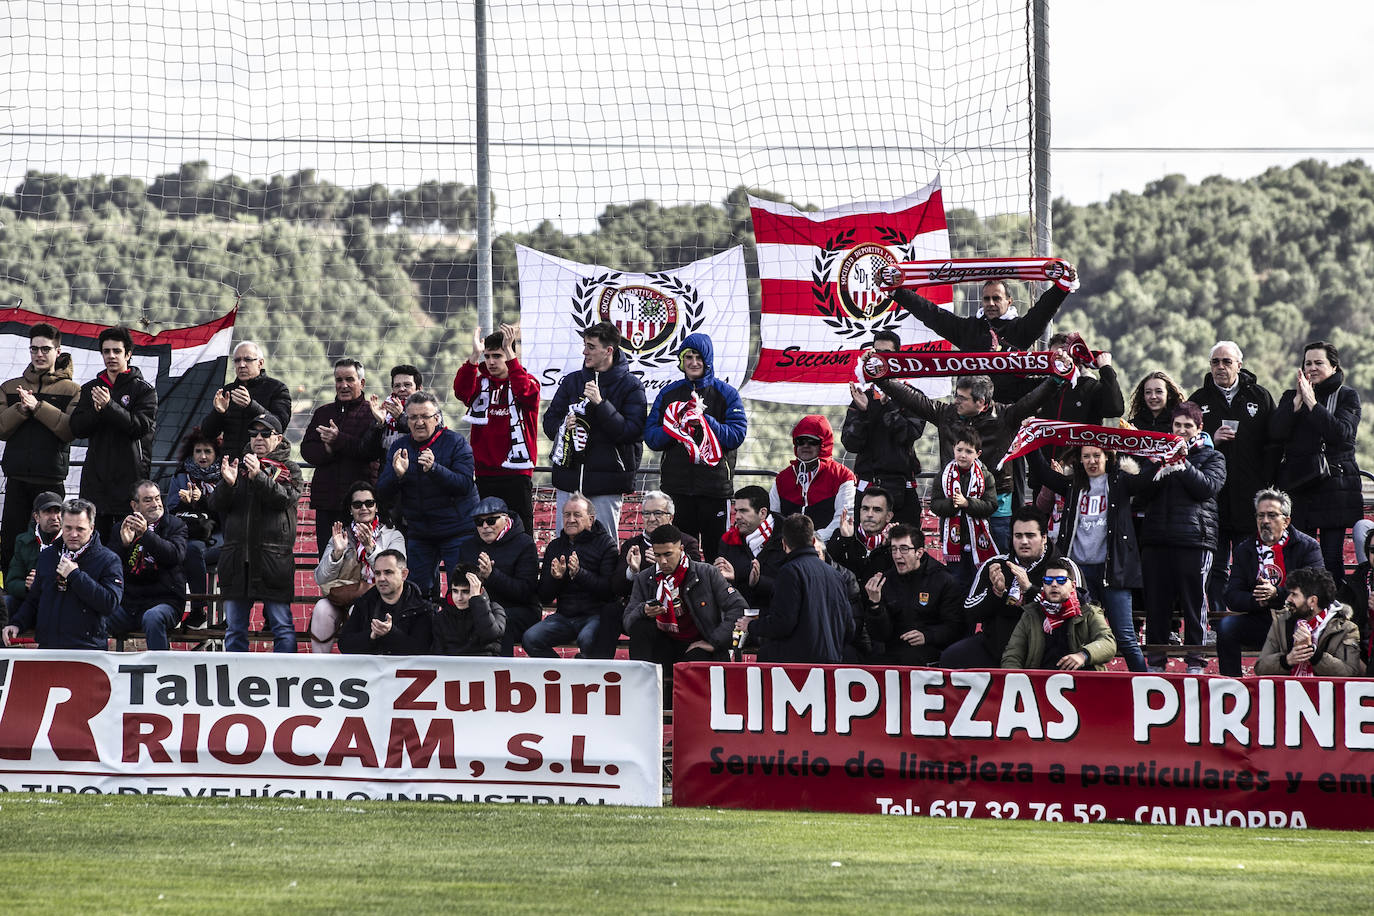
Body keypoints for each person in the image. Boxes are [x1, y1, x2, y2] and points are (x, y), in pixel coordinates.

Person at [876, 372, 1056, 551]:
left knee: (997, 567)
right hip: (955, 509)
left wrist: (1058, 377)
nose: (956, 401)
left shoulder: (1006, 416)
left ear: (981, 402)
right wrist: (881, 379)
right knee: (958, 570)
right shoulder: (945, 414)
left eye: (962, 398)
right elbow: (912, 398)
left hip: (995, 510)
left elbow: (1034, 399)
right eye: (956, 395)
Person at [1028, 445, 1148, 672]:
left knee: (1125, 636)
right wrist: (1032, 443)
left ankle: (1145, 686)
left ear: (1107, 457)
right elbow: (1043, 472)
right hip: (1079, 574)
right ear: (1079, 460)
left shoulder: (1120, 482)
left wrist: (1164, 455)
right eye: (1086, 457)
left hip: (1112, 572)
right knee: (1078, 637)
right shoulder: (1072, 485)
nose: (1092, 461)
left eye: (1097, 455)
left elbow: (1149, 480)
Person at [1126, 402, 1226, 673]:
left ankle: (1195, 660)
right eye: (1177, 425)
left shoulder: (1212, 457)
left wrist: (1181, 464)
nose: (1181, 431)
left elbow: (1206, 488)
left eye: (1188, 426)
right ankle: (1156, 661)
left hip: (1195, 540)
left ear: (1199, 429)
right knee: (1156, 606)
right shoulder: (1156, 456)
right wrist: (1157, 464)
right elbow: (1140, 492)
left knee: (1194, 604)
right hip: (1157, 539)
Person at [885, 270, 1077, 401]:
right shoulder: (967, 328)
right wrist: (897, 292)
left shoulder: (1021, 329)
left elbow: (1043, 310)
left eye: (997, 298)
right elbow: (933, 314)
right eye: (986, 298)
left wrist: (1062, 286)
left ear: (1009, 301)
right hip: (970, 413)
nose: (991, 303)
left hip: (1009, 413)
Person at [1189, 341, 1278, 616]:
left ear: (1239, 364)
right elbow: (1183, 444)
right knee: (1215, 566)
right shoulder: (1198, 400)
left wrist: (1267, 483)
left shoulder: (1260, 397)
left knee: (1249, 561)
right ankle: (1216, 619)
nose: (1220, 367)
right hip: (1211, 499)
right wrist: (1209, 439)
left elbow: (1274, 444)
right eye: (1215, 362)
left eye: (1226, 362)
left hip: (1250, 497)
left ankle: (1248, 617)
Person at [643, 332, 749, 559]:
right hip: (676, 490)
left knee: (716, 555)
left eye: (698, 357)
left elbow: (736, 435)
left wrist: (705, 421)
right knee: (678, 555)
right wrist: (676, 427)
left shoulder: (727, 394)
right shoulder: (669, 394)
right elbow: (651, 437)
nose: (693, 362)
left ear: (708, 360)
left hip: (714, 490)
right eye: (688, 357)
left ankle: (715, 595)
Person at [1270, 340, 1362, 584]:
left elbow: (1341, 434)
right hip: (1300, 487)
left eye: (1318, 362)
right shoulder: (1291, 397)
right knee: (1299, 557)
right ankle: (1301, 615)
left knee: (1331, 558)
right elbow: (1275, 433)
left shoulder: (1347, 396)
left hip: (1335, 488)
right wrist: (1296, 404)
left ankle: (1333, 614)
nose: (1312, 367)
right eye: (1307, 363)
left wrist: (1312, 404)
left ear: (1333, 367)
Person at [211, 413, 304, 653]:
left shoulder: (290, 469)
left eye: (265, 433)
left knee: (282, 627)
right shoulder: (237, 466)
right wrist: (228, 485)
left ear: (278, 438)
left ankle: (286, 680)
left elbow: (285, 499)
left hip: (273, 563)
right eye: (253, 434)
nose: (258, 438)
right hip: (237, 562)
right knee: (234, 630)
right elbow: (215, 506)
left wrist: (259, 477)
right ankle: (233, 681)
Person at [543, 320, 647, 534]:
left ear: (609, 350)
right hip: (568, 482)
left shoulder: (631, 386)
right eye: (584, 345)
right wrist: (564, 425)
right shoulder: (572, 381)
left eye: (591, 347)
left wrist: (602, 404)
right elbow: (549, 423)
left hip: (606, 487)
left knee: (605, 549)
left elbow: (631, 432)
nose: (584, 352)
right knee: (564, 546)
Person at [624, 524, 745, 703]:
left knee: (697, 658)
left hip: (697, 646)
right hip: (663, 646)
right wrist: (644, 610)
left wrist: (714, 642)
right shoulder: (645, 577)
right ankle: (641, 700)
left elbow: (739, 608)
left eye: (668, 554)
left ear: (681, 549)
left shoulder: (707, 573)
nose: (663, 561)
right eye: (657, 555)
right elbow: (627, 622)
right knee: (640, 626)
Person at [375, 391, 480, 595]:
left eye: (425, 416)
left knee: (460, 591)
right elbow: (382, 491)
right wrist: (398, 475)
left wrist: (435, 469)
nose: (419, 422)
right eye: (413, 417)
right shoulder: (399, 446)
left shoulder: (456, 443)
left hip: (457, 530)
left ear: (437, 418)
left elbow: (465, 484)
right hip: (420, 532)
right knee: (417, 592)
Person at [1216, 488, 1323, 676]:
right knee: (1226, 627)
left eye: (1272, 515)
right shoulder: (1245, 549)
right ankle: (1232, 686)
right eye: (1261, 516)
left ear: (1286, 520)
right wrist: (1257, 599)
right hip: (1262, 619)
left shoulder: (1307, 546)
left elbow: (1318, 588)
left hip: (1297, 621)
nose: (1265, 521)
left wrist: (1277, 594)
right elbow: (1232, 595)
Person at [940, 506, 1063, 669]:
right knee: (952, 657)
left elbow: (1070, 613)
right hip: (997, 646)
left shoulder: (1063, 568)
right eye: (1018, 536)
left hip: (1045, 649)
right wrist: (995, 593)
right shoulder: (994, 564)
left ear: (1044, 538)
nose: (1024, 541)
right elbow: (969, 611)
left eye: (1030, 535)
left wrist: (1030, 589)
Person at [0, 322, 79, 570]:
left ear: (58, 350)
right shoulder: (10, 387)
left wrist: (38, 407)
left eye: (45, 349)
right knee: (11, 543)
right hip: (17, 478)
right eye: (34, 349)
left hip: (50, 478)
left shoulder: (73, 390)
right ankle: (8, 596)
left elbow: (69, 430)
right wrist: (21, 409)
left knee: (52, 540)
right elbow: (1, 429)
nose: (39, 354)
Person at [69, 326, 158, 545]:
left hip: (128, 480)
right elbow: (77, 428)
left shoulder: (144, 390)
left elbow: (140, 427)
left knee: (126, 544)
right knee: (94, 542)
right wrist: (97, 411)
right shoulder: (91, 388)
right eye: (106, 351)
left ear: (128, 354)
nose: (111, 356)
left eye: (116, 351)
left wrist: (109, 406)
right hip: (96, 479)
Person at [452, 324, 540, 535]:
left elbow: (524, 393)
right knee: (486, 533)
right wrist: (474, 356)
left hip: (517, 473)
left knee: (521, 533)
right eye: (488, 356)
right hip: (485, 473)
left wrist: (511, 355)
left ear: (509, 355)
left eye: (498, 356)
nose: (491, 361)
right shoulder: (480, 382)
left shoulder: (528, 381)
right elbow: (461, 392)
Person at [3, 498, 123, 650]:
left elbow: (110, 604)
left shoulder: (108, 560)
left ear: (91, 528)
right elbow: (34, 599)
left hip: (88, 648)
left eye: (80, 529)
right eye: (68, 528)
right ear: (61, 526)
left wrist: (75, 575)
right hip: (49, 645)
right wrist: (17, 624)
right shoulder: (48, 556)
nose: (73, 534)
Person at [308, 481, 406, 654]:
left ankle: (358, 668)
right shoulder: (340, 535)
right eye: (357, 504)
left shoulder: (393, 535)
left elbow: (398, 572)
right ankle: (320, 667)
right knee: (322, 609)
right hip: (344, 595)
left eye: (369, 503)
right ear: (350, 509)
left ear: (376, 507)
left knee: (358, 610)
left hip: (380, 599)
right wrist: (336, 554)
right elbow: (320, 579)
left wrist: (371, 548)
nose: (364, 508)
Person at [841, 330, 925, 525]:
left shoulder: (912, 395)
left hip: (902, 490)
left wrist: (889, 406)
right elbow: (851, 443)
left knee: (905, 546)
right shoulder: (863, 397)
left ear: (898, 356)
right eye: (876, 352)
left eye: (887, 353)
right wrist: (863, 412)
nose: (881, 358)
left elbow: (910, 434)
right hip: (868, 487)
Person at [745, 513, 853, 664]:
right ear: (814, 540)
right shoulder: (836, 575)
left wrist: (751, 625)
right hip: (832, 664)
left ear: (784, 544)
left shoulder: (789, 572)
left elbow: (782, 623)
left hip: (798, 669)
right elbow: (849, 627)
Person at [523, 493, 619, 659]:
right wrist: (556, 578)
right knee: (531, 638)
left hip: (594, 616)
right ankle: (562, 673)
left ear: (591, 519)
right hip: (564, 617)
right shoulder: (554, 546)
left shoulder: (606, 544)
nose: (571, 519)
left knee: (587, 639)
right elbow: (544, 597)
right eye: (567, 515)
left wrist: (579, 574)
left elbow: (609, 592)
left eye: (577, 515)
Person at [300, 358, 380, 552]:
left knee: (362, 560)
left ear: (362, 383)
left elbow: (370, 451)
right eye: (339, 380)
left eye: (349, 379)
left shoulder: (373, 413)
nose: (343, 385)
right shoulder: (322, 413)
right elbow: (306, 450)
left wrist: (338, 439)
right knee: (329, 560)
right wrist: (326, 450)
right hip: (326, 502)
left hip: (361, 504)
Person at [106, 481, 188, 651]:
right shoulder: (120, 528)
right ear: (134, 505)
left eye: (158, 498)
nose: (156, 504)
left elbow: (174, 556)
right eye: (148, 500)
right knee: (97, 614)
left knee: (153, 617)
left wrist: (146, 535)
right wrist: (123, 545)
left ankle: (161, 671)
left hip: (166, 601)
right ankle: (94, 670)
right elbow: (108, 567)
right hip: (130, 604)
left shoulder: (175, 525)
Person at [863, 524, 961, 665]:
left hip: (929, 650)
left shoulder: (943, 579)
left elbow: (955, 627)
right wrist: (875, 605)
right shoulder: (885, 580)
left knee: (910, 658)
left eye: (904, 549)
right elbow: (880, 635)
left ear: (919, 553)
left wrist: (927, 636)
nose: (897, 555)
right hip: (893, 649)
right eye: (894, 549)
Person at [458, 496, 541, 656]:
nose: (484, 527)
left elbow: (525, 592)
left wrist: (492, 575)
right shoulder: (467, 546)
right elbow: (458, 584)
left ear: (506, 519)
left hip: (520, 611)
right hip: (479, 608)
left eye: (491, 521)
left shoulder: (525, 544)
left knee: (499, 622)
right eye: (478, 522)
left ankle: (500, 675)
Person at [1001, 560, 1118, 671]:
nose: (1054, 585)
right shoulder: (1031, 614)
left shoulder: (1089, 612)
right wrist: (1017, 680)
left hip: (1083, 682)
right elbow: (1012, 655)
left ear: (1073, 586)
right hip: (1040, 684)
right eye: (1048, 580)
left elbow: (1108, 643)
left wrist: (1083, 655)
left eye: (1061, 580)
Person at [1254, 566, 1363, 677]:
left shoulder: (1346, 629)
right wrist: (1287, 660)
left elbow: (1349, 672)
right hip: (1288, 691)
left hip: (1325, 693)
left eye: (1294, 594)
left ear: (1312, 601)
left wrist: (1314, 654)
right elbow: (1260, 668)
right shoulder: (1281, 622)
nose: (1288, 599)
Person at [928, 428, 999, 592]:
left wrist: (967, 503)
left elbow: (991, 505)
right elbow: (935, 504)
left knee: (979, 582)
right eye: (959, 450)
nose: (963, 455)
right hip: (954, 542)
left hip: (979, 541)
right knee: (957, 583)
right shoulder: (943, 475)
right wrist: (952, 504)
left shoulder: (986, 476)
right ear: (953, 448)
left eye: (969, 451)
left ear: (978, 454)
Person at [166, 429, 223, 628]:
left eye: (207, 451)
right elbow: (170, 510)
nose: (202, 456)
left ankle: (199, 609)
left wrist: (204, 501)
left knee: (193, 550)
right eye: (198, 451)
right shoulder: (181, 475)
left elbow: (227, 511)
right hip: (189, 533)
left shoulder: (225, 475)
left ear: (216, 454)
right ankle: (175, 611)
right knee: (178, 551)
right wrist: (185, 503)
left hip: (218, 535)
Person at [769, 415, 856, 543]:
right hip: (787, 547)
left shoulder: (842, 476)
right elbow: (773, 517)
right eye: (801, 441)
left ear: (824, 444)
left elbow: (842, 520)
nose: (805, 445)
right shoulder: (782, 479)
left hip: (827, 547)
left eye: (812, 441)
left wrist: (812, 540)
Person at [201, 341, 293, 458]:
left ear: (260, 363)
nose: (241, 365)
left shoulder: (277, 389)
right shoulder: (227, 391)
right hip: (231, 465)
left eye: (248, 359)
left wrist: (251, 406)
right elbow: (207, 433)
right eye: (237, 360)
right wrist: (218, 413)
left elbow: (280, 425)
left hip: (264, 463)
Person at [337, 549, 435, 656]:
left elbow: (423, 649)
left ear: (404, 574)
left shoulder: (422, 608)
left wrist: (391, 633)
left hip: (405, 672)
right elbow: (344, 644)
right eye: (377, 573)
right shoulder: (364, 602)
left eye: (388, 572)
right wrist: (371, 635)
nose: (381, 578)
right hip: (369, 670)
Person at [612, 491, 703, 600]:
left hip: (677, 605)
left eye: (658, 513)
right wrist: (632, 571)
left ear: (671, 517)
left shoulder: (687, 543)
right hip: (641, 606)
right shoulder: (631, 545)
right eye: (646, 513)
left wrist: (663, 564)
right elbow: (617, 589)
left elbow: (696, 583)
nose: (651, 519)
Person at [715, 485, 785, 613]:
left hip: (778, 617)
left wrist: (759, 582)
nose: (737, 517)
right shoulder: (728, 541)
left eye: (743, 511)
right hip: (739, 617)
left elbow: (791, 588)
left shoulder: (788, 538)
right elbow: (724, 593)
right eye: (736, 511)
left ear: (762, 513)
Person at [4, 492, 64, 623]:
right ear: (36, 517)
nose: (54, 517)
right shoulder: (23, 541)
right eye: (48, 512)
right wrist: (26, 586)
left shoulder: (71, 539)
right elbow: (11, 583)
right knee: (6, 603)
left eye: (58, 511)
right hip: (31, 602)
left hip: (62, 603)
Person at [1038, 334, 1125, 425]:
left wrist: (1106, 369)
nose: (1059, 361)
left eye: (1063, 355)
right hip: (1048, 438)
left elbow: (1115, 410)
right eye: (1054, 357)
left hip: (1080, 438)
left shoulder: (1090, 387)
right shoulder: (1044, 386)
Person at [827, 486, 896, 586]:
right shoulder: (841, 534)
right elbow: (828, 569)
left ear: (888, 516)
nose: (869, 514)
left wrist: (887, 547)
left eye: (877, 510)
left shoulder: (894, 542)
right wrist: (847, 541)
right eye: (865, 509)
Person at [432, 564, 506, 656]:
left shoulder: (496, 610)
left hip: (485, 667)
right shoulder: (442, 617)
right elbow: (437, 656)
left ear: (479, 590)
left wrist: (477, 599)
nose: (459, 598)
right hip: (451, 668)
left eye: (465, 591)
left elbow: (490, 636)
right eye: (455, 591)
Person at [369, 363, 423, 457]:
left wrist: (401, 417)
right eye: (397, 386)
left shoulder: (430, 410)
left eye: (407, 385)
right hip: (387, 469)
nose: (402, 389)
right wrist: (379, 424)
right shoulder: (385, 410)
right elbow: (368, 450)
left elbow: (428, 439)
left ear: (419, 389)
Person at [1127, 370, 1186, 434]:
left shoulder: (1180, 425)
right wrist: (1133, 436)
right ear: (1143, 396)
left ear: (1169, 394)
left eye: (1158, 391)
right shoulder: (1132, 426)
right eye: (1148, 392)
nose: (1153, 396)